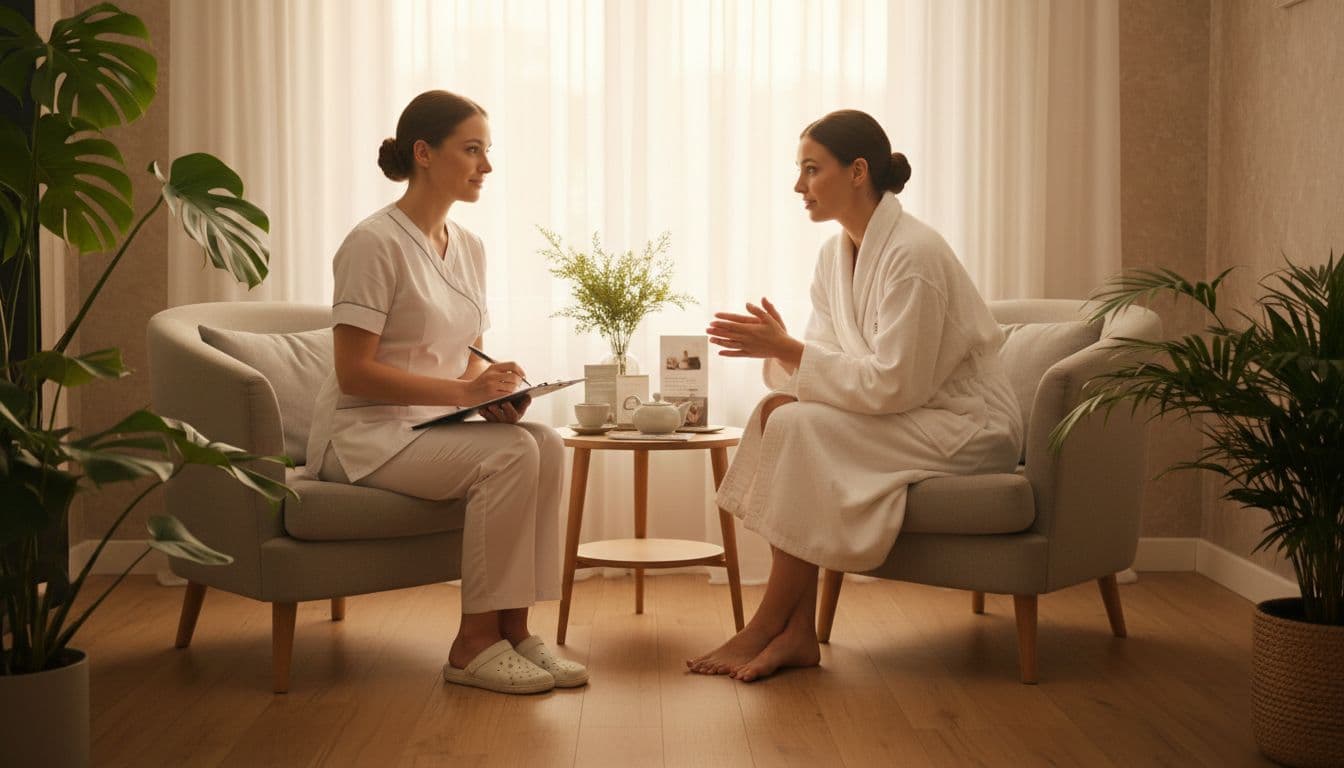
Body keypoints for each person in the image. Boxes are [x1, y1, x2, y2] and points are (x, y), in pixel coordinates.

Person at [688, 110, 1023, 682]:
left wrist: (790, 350)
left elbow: (894, 384)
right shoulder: (833, 255)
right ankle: (795, 633)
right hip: (909, 412)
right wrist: (785, 351)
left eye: (811, 170)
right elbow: (827, 365)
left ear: (858, 171)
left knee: (796, 426)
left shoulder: (913, 255)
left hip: (965, 425)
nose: (799, 186)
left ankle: (771, 622)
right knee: (776, 412)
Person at [305, 90, 587, 695]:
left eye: (487, 151)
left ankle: (515, 630)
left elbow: (466, 358)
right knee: (512, 455)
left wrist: (493, 390)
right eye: (473, 149)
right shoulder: (372, 243)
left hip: (431, 427)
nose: (486, 165)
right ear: (424, 153)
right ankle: (472, 644)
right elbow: (354, 372)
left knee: (542, 441)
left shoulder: (470, 247)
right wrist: (464, 396)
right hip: (363, 436)